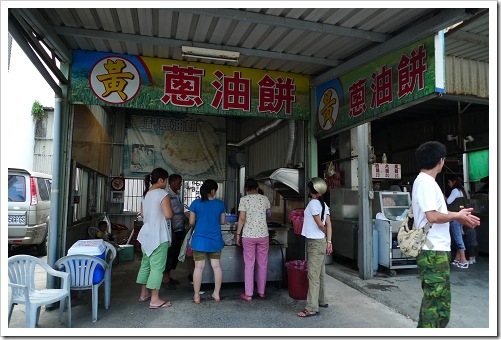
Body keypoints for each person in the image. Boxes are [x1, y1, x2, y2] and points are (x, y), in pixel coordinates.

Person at [412, 141, 480, 328]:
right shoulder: (425, 182)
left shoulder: (426, 182)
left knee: (439, 303)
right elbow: (432, 216)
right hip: (432, 252)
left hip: (435, 251)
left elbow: (434, 215)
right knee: (435, 304)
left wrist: (458, 217)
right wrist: (457, 215)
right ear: (441, 161)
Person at [136, 168, 174, 309]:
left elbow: (144, 214)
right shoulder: (163, 193)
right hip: (158, 235)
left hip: (145, 234)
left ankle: (143, 294)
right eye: (166, 180)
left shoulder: (146, 195)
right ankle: (155, 300)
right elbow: (169, 214)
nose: (166, 183)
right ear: (161, 180)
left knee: (146, 264)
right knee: (157, 267)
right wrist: (173, 211)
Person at [297, 177, 333, 318]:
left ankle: (312, 307)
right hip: (322, 241)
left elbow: (320, 224)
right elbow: (329, 224)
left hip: (315, 242)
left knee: (313, 275)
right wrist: (328, 241)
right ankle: (322, 300)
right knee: (320, 273)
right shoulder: (324, 204)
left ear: (312, 191)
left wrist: (322, 231)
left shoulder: (313, 203)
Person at [189, 179, 226, 304]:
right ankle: (216, 294)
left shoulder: (195, 203)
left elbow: (191, 222)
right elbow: (222, 222)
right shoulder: (220, 204)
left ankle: (196, 296)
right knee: (216, 266)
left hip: (199, 240)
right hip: (215, 240)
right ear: (213, 190)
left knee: (198, 267)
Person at [236, 178, 271, 301]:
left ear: (246, 189)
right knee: (262, 264)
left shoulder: (244, 200)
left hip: (248, 236)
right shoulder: (264, 199)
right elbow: (268, 215)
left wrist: (238, 234)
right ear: (257, 187)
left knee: (249, 264)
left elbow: (241, 218)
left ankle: (249, 294)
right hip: (263, 235)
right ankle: (261, 292)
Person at [162, 174, 186, 289]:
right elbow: (166, 216)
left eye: (180, 183)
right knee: (169, 255)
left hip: (179, 228)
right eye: (178, 183)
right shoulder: (167, 195)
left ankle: (168, 276)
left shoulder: (177, 195)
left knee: (175, 254)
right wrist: (171, 231)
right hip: (172, 230)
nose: (180, 185)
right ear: (171, 182)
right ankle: (165, 279)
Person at [446, 176, 468, 268]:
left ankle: (463, 260)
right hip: (461, 216)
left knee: (458, 238)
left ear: (453, 181)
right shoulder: (461, 191)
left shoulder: (455, 191)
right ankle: (457, 258)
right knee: (459, 237)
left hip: (455, 217)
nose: (448, 184)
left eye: (449, 182)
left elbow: (448, 201)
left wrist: (444, 197)